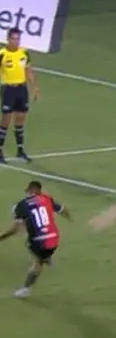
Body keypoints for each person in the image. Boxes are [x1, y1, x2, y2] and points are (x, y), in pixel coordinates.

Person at [2, 180, 71, 298]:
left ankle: (26, 289)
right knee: (35, 244)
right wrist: (70, 218)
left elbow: (14, 230)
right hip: (54, 238)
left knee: (36, 264)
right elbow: (63, 209)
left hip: (39, 240)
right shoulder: (47, 198)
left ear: (30, 190)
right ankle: (47, 257)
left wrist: (1, 237)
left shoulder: (21, 205)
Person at [0, 28, 39, 163]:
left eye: (18, 39)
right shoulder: (2, 54)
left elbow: (28, 70)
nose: (16, 42)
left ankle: (20, 151)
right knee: (5, 120)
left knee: (20, 119)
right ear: (8, 39)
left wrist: (35, 87)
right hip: (8, 90)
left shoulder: (24, 53)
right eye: (14, 39)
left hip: (22, 90)